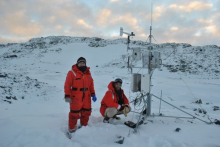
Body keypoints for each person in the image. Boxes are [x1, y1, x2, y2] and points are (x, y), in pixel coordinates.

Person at [64, 57, 97, 132]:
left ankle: (83, 127)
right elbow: (67, 85)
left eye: (83, 63)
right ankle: (72, 129)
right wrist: (67, 95)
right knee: (74, 114)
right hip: (76, 96)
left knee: (86, 112)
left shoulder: (88, 73)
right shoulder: (72, 73)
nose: (82, 64)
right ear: (77, 64)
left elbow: (91, 84)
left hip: (87, 96)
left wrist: (93, 94)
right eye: (80, 62)